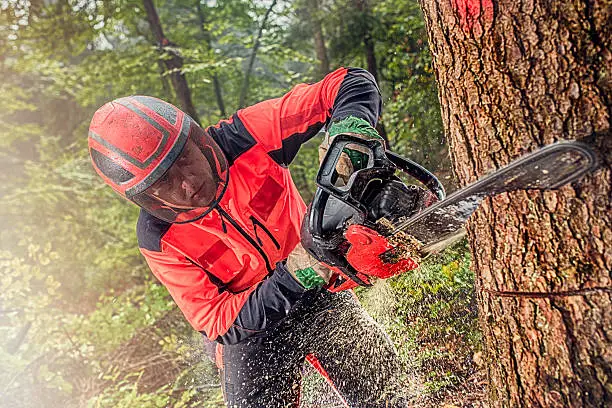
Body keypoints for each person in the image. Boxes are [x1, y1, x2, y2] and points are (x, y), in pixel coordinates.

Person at [88, 67, 412, 407]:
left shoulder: (245, 137)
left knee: (389, 394)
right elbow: (217, 320)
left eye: (185, 160)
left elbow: (348, 83)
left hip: (321, 289)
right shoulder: (158, 237)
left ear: (197, 140)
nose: (186, 182)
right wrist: (297, 273)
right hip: (252, 332)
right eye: (164, 183)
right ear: (146, 197)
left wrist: (351, 134)